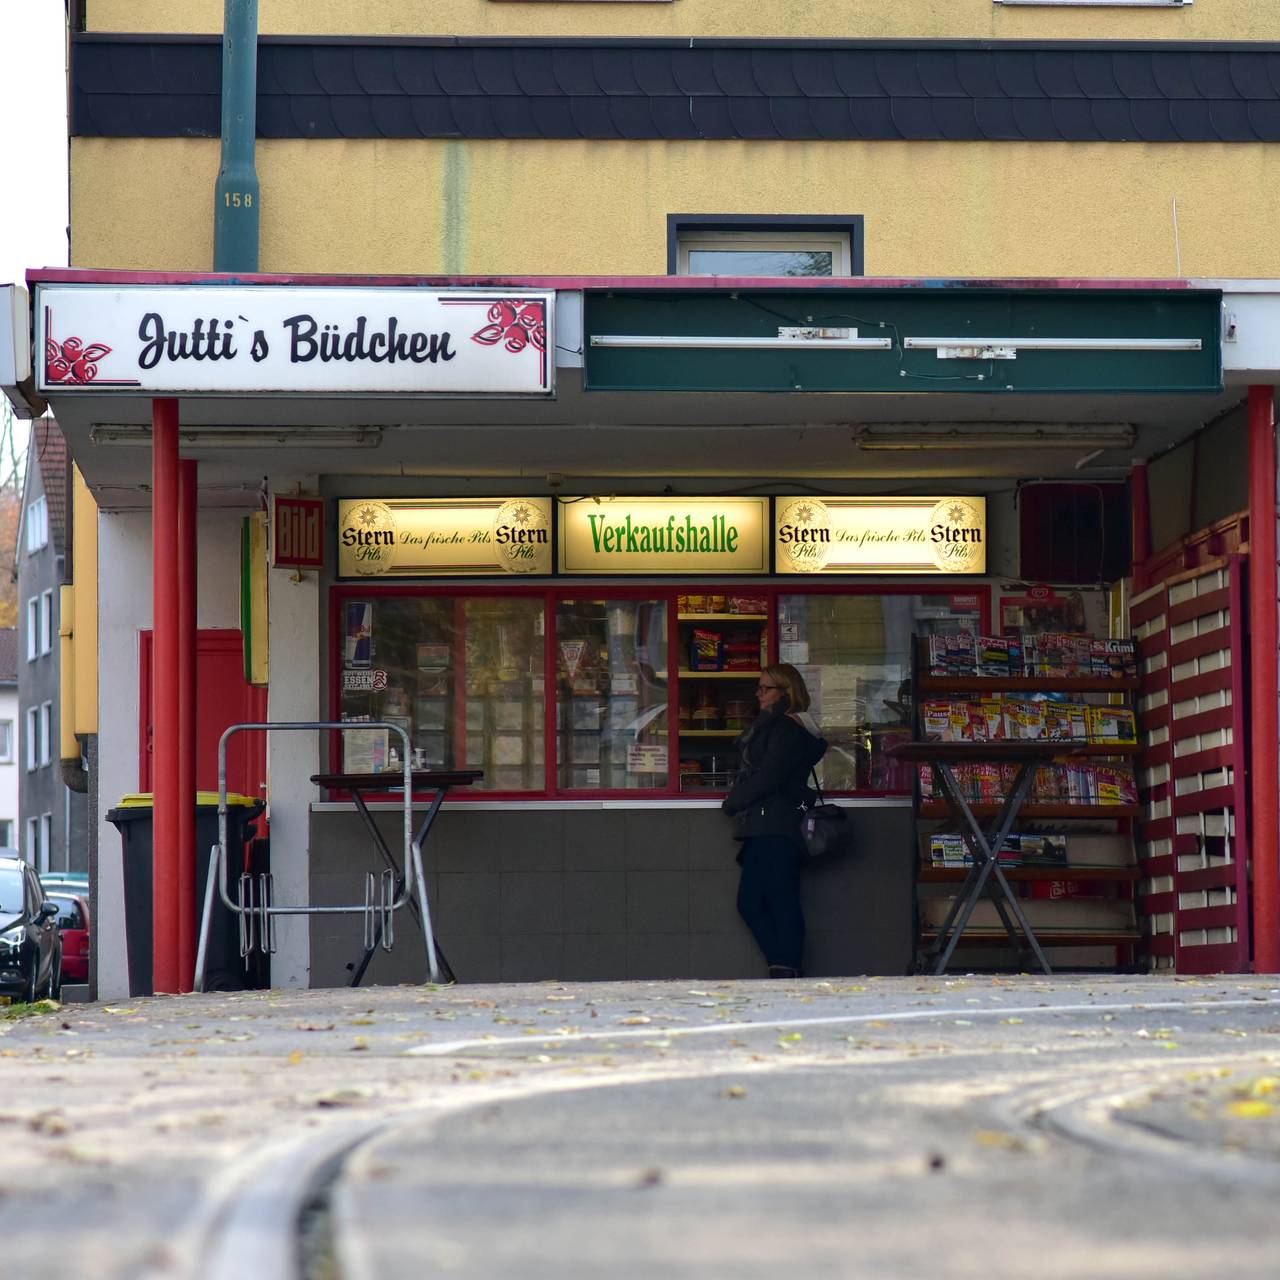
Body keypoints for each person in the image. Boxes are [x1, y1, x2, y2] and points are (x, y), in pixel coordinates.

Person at [721, 663, 827, 979]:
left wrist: (733, 802)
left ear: (786, 692)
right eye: (759, 687)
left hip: (776, 824)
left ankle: (786, 968)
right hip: (768, 823)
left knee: (772, 901)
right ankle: (783, 967)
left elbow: (770, 775)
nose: (759, 694)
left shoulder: (786, 729)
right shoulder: (777, 726)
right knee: (765, 901)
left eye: (765, 688)